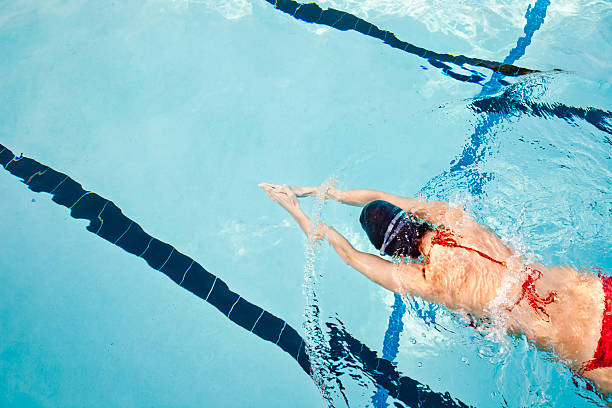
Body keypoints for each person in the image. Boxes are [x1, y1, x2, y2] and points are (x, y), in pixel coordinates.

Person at [258, 182, 612, 394]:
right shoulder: (451, 217)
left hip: (585, 348)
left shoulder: (429, 282)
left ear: (391, 253)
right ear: (410, 218)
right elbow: (381, 195)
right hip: (595, 292)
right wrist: (322, 191)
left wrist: (297, 211)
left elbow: (350, 256)